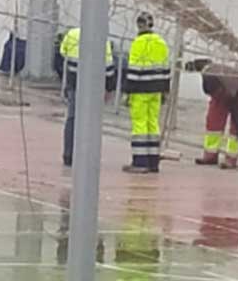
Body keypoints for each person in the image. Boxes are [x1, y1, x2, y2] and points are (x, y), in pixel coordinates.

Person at [55, 27, 115, 167]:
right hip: (93, 87)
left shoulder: (72, 34)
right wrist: (109, 88)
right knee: (92, 121)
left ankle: (69, 155)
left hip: (74, 83)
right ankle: (88, 156)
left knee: (72, 118)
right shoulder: (101, 37)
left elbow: (62, 53)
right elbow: (109, 66)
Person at [122, 12, 170, 173]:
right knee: (153, 123)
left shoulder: (138, 43)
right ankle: (153, 161)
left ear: (139, 25)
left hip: (140, 90)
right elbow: (166, 69)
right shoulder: (161, 43)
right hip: (156, 90)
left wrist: (127, 91)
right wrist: (165, 91)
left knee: (139, 125)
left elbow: (133, 70)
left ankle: (140, 162)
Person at [185, 58, 238, 169]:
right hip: (224, 87)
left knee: (235, 127)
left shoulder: (232, 92)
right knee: (213, 121)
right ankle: (210, 156)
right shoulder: (210, 74)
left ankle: (231, 159)